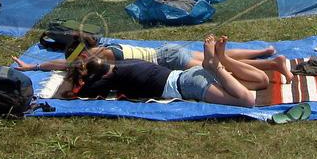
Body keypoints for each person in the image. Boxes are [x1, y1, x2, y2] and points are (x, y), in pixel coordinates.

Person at [67, 35, 279, 107]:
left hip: (186, 82)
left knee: (246, 101)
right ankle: (219, 62)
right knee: (259, 82)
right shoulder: (113, 56)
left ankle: (217, 64)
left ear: (83, 58)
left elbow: (85, 92)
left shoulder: (111, 75)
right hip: (182, 73)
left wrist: (38, 66)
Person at [13, 35, 290, 78]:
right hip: (168, 51)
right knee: (220, 55)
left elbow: (65, 64)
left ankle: (271, 63)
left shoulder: (99, 55)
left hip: (169, 60)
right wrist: (35, 64)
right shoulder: (102, 46)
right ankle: (262, 51)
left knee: (219, 67)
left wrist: (34, 66)